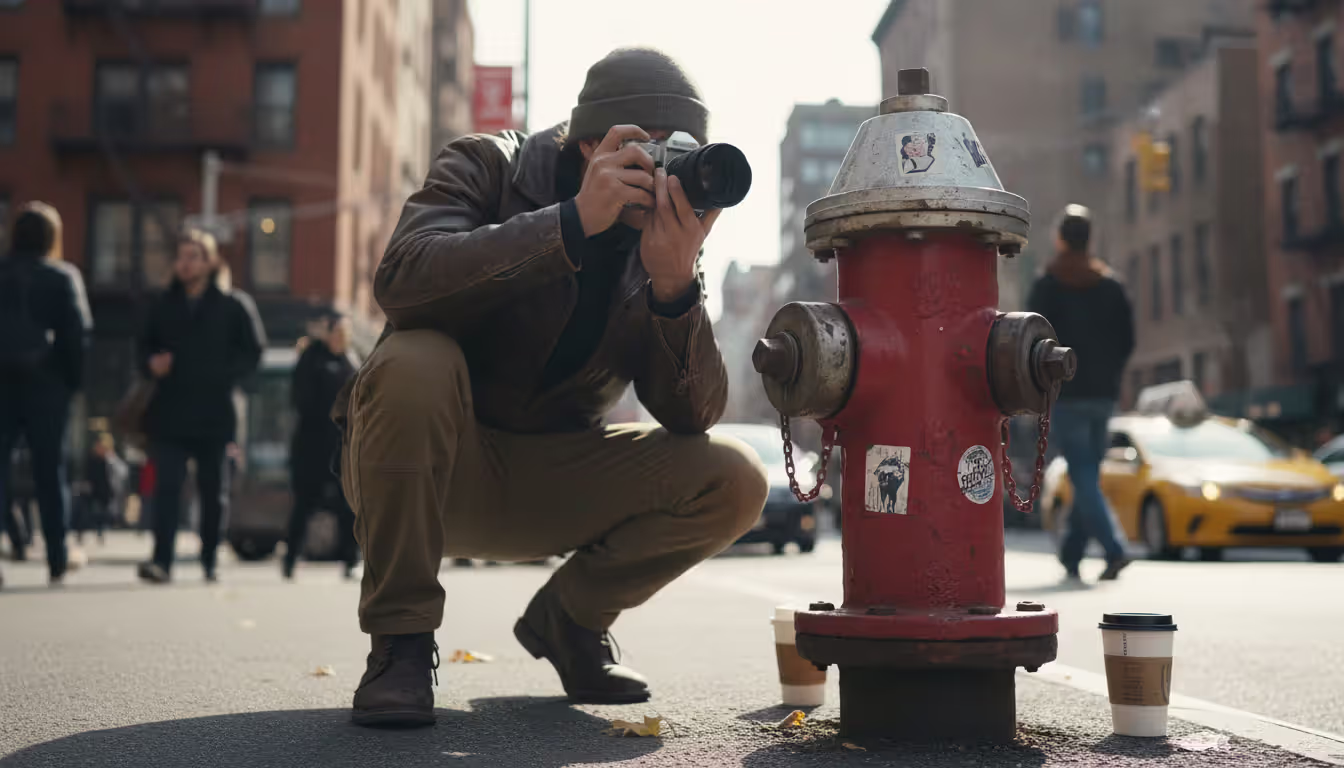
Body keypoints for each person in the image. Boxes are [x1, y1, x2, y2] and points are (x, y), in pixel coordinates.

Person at [337, 48, 768, 727]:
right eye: (647, 153)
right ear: (591, 143)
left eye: (682, 155)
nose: (665, 177)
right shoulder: (487, 165)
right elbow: (403, 282)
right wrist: (568, 223)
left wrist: (674, 289)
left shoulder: (660, 242)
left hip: (555, 476)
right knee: (414, 360)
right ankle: (401, 643)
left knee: (735, 477)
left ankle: (570, 622)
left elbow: (694, 415)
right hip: (430, 467)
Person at [136, 229, 265, 584]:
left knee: (213, 491)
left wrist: (225, 375)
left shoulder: (233, 304)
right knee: (167, 488)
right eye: (180, 256)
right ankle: (162, 561)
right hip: (170, 411)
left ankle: (209, 559)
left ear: (209, 262)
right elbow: (142, 348)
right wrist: (151, 363)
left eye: (193, 256)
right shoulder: (162, 303)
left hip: (214, 412)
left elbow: (254, 351)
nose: (185, 263)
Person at [1028, 204, 1136, 582]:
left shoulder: (1048, 285)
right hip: (1104, 396)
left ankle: (1114, 549)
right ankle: (1072, 554)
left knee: (1083, 473)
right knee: (1085, 472)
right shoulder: (1111, 285)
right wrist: (1110, 376)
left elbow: (1031, 340)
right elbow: (1127, 341)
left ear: (1060, 238)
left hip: (1068, 395)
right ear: (1090, 239)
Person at [0, 203, 92, 587]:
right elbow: (77, 333)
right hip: (47, 384)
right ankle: (56, 556)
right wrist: (71, 383)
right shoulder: (62, 276)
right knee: (50, 472)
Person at [283, 312, 359, 581]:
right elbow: (300, 399)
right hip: (311, 445)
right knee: (304, 504)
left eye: (344, 334)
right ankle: (290, 558)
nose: (339, 338)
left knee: (348, 506)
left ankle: (351, 560)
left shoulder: (351, 361)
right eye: (335, 332)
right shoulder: (312, 358)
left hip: (342, 447)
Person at [79, 433, 127, 545]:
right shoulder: (92, 459)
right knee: (88, 514)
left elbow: (123, 472)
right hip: (93, 491)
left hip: (106, 492)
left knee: (102, 515)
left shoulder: (111, 459)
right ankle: (81, 533)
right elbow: (86, 475)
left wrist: (111, 459)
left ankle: (100, 534)